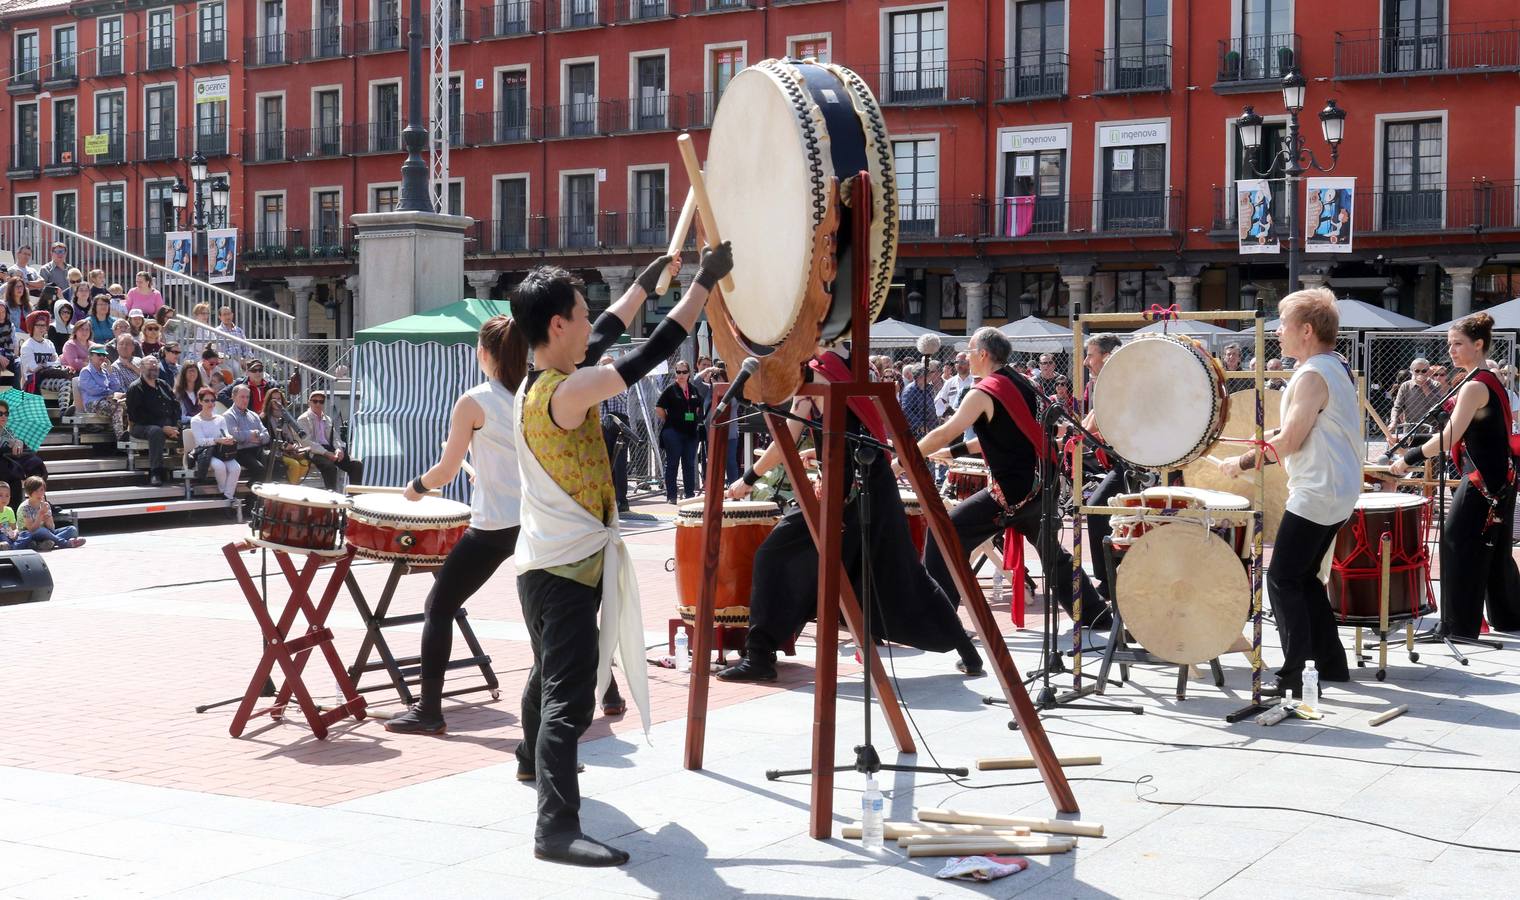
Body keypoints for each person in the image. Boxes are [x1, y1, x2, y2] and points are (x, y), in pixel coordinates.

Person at [508, 245, 727, 867]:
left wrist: (645, 284)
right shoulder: (566, 392)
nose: (589, 321)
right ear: (557, 326)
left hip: (546, 564)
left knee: (549, 671)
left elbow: (606, 333)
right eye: (580, 313)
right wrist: (702, 288)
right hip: (565, 568)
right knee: (569, 698)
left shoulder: (538, 379)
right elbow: (649, 352)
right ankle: (555, 829)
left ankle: (529, 761)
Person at [385, 315, 531, 735]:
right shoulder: (533, 394)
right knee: (553, 613)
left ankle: (429, 710)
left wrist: (416, 487)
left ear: (484, 353)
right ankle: (608, 690)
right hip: (535, 520)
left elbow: (446, 469)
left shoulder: (474, 400)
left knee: (438, 607)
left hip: (493, 526)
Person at [911, 327, 1108, 632]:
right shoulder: (1022, 383)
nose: (965, 356)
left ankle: (939, 620)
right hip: (1040, 486)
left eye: (970, 350)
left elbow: (944, 430)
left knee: (944, 534)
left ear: (983, 354)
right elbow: (1009, 435)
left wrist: (903, 459)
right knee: (1054, 557)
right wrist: (955, 452)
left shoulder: (983, 391)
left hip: (1012, 493)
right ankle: (1097, 615)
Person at [1220, 288, 1360, 698]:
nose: (1278, 332)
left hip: (1319, 489)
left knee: (1281, 579)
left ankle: (1294, 672)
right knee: (1305, 578)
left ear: (1306, 330)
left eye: (1283, 324)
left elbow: (1294, 440)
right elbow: (1311, 426)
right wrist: (1265, 437)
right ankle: (1332, 663)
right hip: (1335, 488)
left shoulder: (1314, 372)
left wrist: (1242, 462)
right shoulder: (1335, 365)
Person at [1390, 312, 1520, 638]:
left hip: (1483, 482)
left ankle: (1458, 626)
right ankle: (1509, 618)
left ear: (1478, 345)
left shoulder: (1475, 386)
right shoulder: (1485, 380)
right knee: (1494, 549)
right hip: (1500, 479)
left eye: (1458, 344)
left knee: (1455, 543)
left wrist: (1409, 458)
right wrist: (1414, 445)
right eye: (1449, 344)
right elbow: (1462, 434)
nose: (1451, 350)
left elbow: (1449, 437)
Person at [125, 355, 182, 486]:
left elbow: (175, 406)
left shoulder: (163, 384)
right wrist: (163, 427)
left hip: (168, 425)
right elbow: (136, 415)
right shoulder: (135, 388)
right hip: (141, 426)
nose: (154, 367)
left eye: (155, 364)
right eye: (150, 365)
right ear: (141, 368)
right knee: (156, 431)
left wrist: (175, 426)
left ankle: (192, 467)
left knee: (190, 429)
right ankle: (156, 472)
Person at [655, 361, 702, 503]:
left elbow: (698, 407)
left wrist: (694, 419)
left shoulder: (693, 389)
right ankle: (671, 496)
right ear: (675, 373)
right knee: (672, 463)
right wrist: (669, 420)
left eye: (684, 372)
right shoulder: (671, 389)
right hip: (673, 431)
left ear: (689, 373)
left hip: (690, 432)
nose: (681, 375)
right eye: (678, 372)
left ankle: (689, 495)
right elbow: (659, 408)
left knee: (689, 464)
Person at [298, 390, 363, 491]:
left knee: (356, 465)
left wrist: (339, 449)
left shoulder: (327, 418)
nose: (318, 404)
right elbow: (306, 442)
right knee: (329, 466)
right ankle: (332, 497)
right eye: (315, 401)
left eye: (321, 401)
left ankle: (354, 498)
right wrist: (326, 453)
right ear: (309, 402)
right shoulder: (302, 419)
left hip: (329, 449)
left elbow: (335, 437)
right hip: (313, 451)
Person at [187, 387, 241, 502]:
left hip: (221, 451)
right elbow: (200, 442)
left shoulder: (220, 418)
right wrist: (217, 440)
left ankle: (227, 496)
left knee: (236, 468)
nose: (210, 403)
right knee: (219, 466)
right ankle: (225, 494)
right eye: (206, 400)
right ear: (200, 402)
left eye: (212, 400)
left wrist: (228, 438)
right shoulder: (195, 420)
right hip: (205, 452)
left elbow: (225, 433)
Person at [597, 355, 633, 514]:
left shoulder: (620, 381)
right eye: (603, 365)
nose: (606, 369)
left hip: (620, 425)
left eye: (609, 365)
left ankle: (622, 500)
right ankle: (608, 499)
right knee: (606, 464)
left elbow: (622, 399)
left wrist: (608, 384)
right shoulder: (595, 383)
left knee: (619, 464)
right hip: (604, 425)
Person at [0, 398, 48, 506]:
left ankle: (40, 501)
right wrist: (7, 446)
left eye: (6, 414)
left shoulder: (9, 431)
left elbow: (20, 448)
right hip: (3, 464)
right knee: (13, 475)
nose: (4, 416)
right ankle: (13, 510)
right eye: (0, 413)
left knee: (36, 465)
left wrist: (19, 442)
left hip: (10, 460)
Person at [17, 476, 84, 550]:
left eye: (42, 490)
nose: (40, 493)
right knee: (42, 530)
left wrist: (48, 520)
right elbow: (32, 529)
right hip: (28, 534)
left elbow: (51, 528)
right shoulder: (25, 507)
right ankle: (65, 543)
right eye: (36, 491)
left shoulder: (45, 504)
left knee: (72, 530)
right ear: (28, 493)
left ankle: (46, 543)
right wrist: (40, 514)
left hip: (47, 533)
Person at [222, 384, 272, 480]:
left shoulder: (253, 415)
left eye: (247, 397)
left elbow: (266, 435)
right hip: (240, 452)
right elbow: (235, 436)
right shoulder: (228, 416)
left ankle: (267, 492)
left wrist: (256, 436)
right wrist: (251, 434)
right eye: (242, 397)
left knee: (274, 463)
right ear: (233, 397)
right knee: (260, 469)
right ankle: (253, 493)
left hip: (257, 449)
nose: (245, 400)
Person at [77, 345, 128, 439]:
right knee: (117, 407)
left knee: (130, 407)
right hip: (92, 403)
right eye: (99, 354)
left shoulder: (105, 372)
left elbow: (117, 387)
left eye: (104, 355)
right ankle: (121, 438)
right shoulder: (86, 371)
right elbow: (93, 390)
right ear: (90, 356)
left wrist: (110, 371)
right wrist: (111, 393)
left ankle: (129, 435)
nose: (102, 357)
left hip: (107, 401)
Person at [1391, 357, 1441, 432]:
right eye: (1417, 371)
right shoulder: (1406, 386)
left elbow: (1437, 404)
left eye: (1424, 371)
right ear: (1412, 372)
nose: (1420, 373)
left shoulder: (1436, 385)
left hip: (1430, 428)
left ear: (1428, 371)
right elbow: (1397, 407)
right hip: (1410, 428)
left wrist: (1424, 386)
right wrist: (1393, 421)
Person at [899, 363, 936, 440]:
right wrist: (920, 425)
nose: (930, 376)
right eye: (928, 374)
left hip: (930, 427)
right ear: (920, 377)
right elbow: (906, 410)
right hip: (916, 431)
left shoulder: (928, 388)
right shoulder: (910, 390)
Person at [3, 275, 31, 349]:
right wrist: (24, 334)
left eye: (21, 286)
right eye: (17, 287)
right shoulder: (5, 306)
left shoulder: (28, 305)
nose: (20, 289)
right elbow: (7, 325)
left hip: (30, 340)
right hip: (14, 341)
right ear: (11, 289)